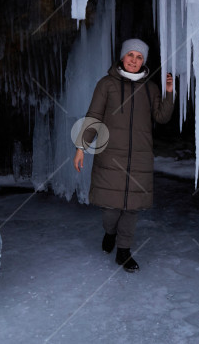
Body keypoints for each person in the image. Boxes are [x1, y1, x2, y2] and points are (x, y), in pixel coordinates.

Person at [73, 38, 174, 272]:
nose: (134, 60)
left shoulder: (150, 88)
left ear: (144, 61)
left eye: (139, 57)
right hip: (110, 157)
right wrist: (81, 147)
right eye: (131, 55)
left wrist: (169, 94)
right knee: (110, 208)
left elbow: (161, 117)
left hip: (139, 157)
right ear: (122, 57)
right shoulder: (106, 84)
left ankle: (124, 251)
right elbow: (94, 116)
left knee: (132, 208)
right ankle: (110, 232)